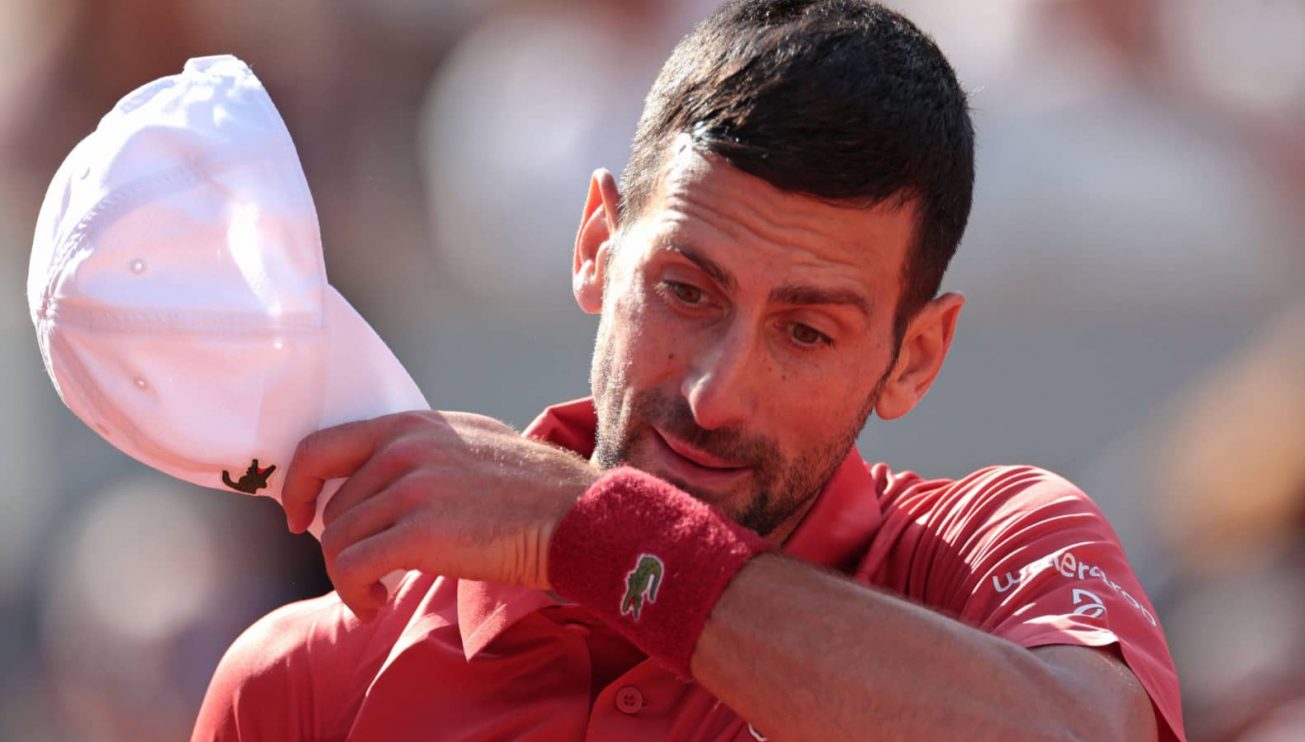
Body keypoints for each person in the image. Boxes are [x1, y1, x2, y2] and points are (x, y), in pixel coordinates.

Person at [192, 1, 1185, 739]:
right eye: (686, 291)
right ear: (595, 244)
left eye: (806, 332)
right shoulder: (307, 680)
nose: (715, 392)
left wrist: (585, 530)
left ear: (914, 354)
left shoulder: (989, 552)